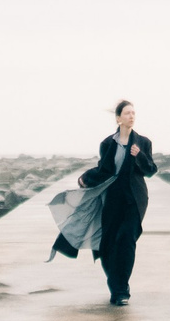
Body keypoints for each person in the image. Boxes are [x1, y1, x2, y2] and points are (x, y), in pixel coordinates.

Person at [49, 100, 157, 304]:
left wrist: (139, 156)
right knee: (107, 244)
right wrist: (86, 178)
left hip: (135, 199)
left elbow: (151, 170)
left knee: (126, 240)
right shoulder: (107, 143)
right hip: (112, 199)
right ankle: (115, 285)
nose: (131, 116)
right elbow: (104, 170)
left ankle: (121, 292)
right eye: (127, 113)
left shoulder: (143, 142)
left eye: (134, 113)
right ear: (118, 118)